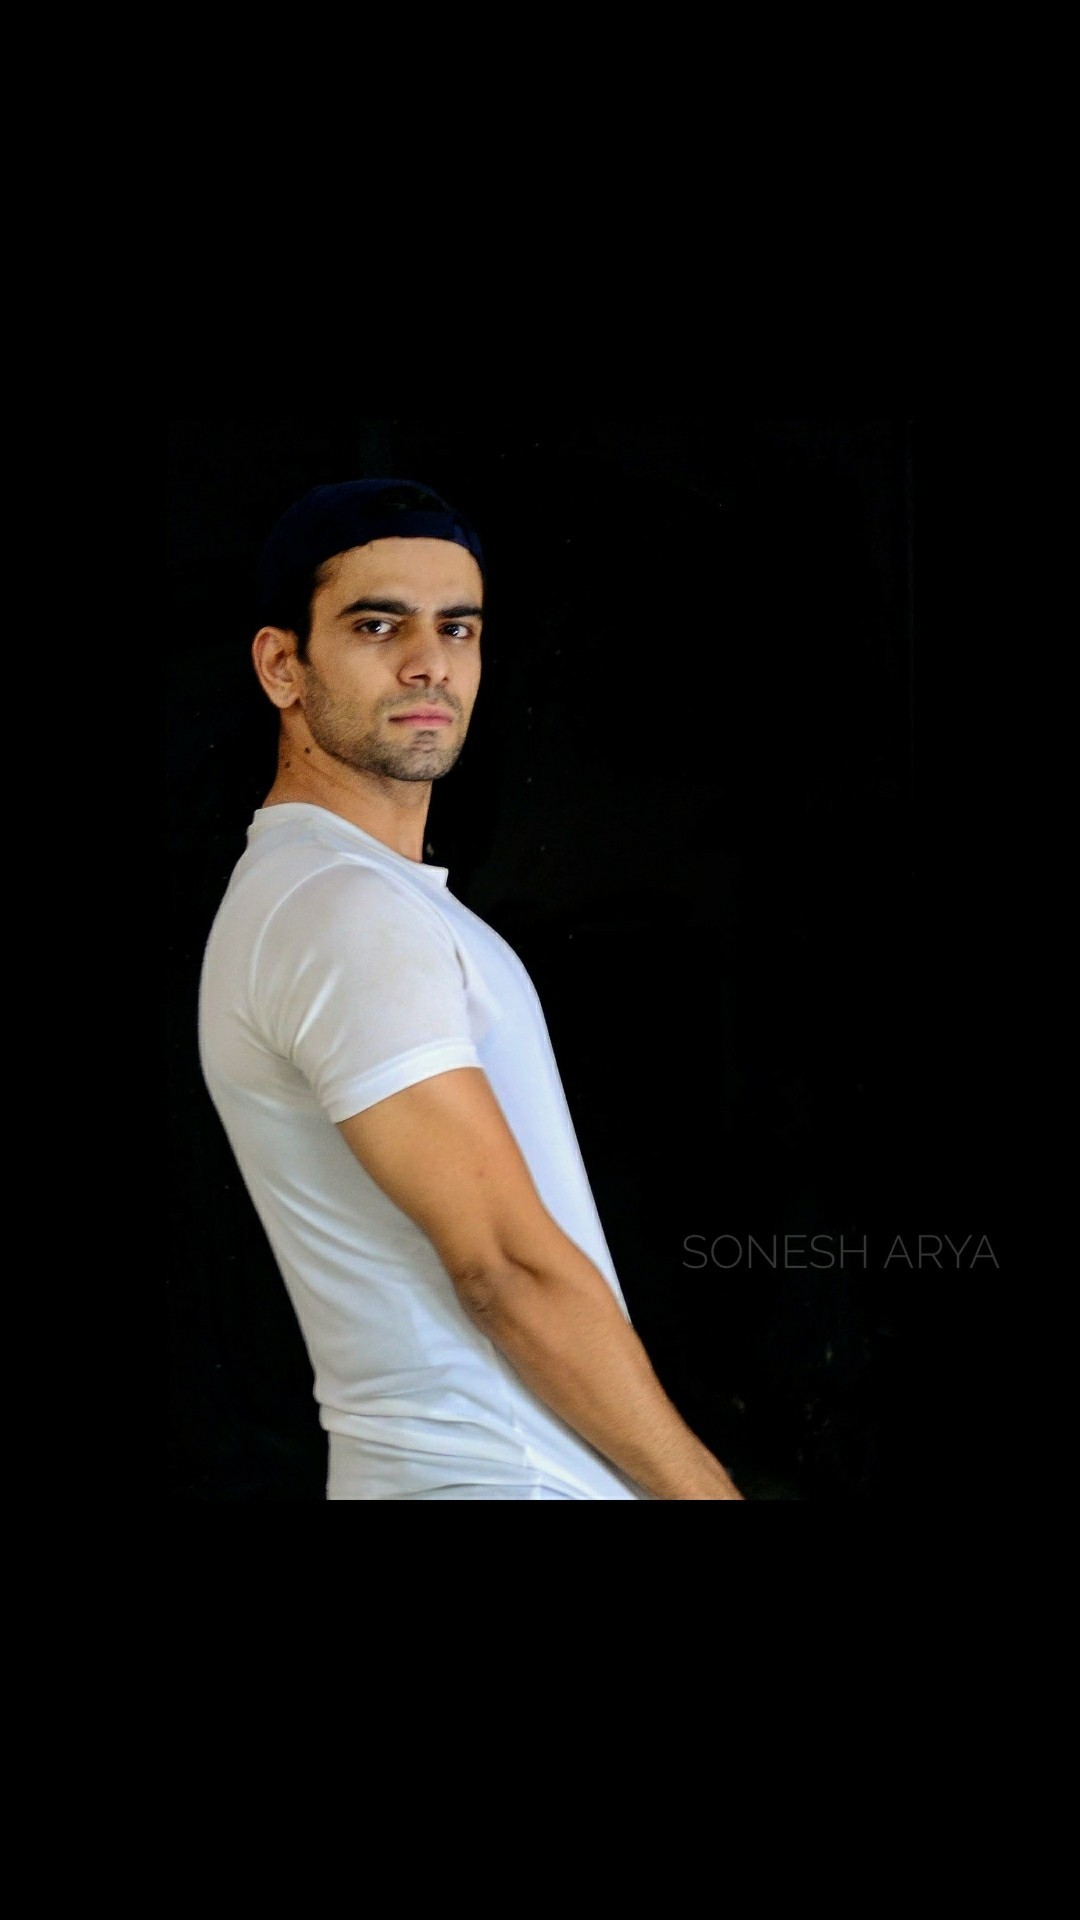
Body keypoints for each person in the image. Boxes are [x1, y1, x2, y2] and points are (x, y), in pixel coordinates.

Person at [198, 476, 744, 1501]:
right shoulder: (340, 909)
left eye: (457, 628)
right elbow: (504, 1268)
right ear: (281, 665)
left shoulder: (332, 897)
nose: (429, 663)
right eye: (377, 625)